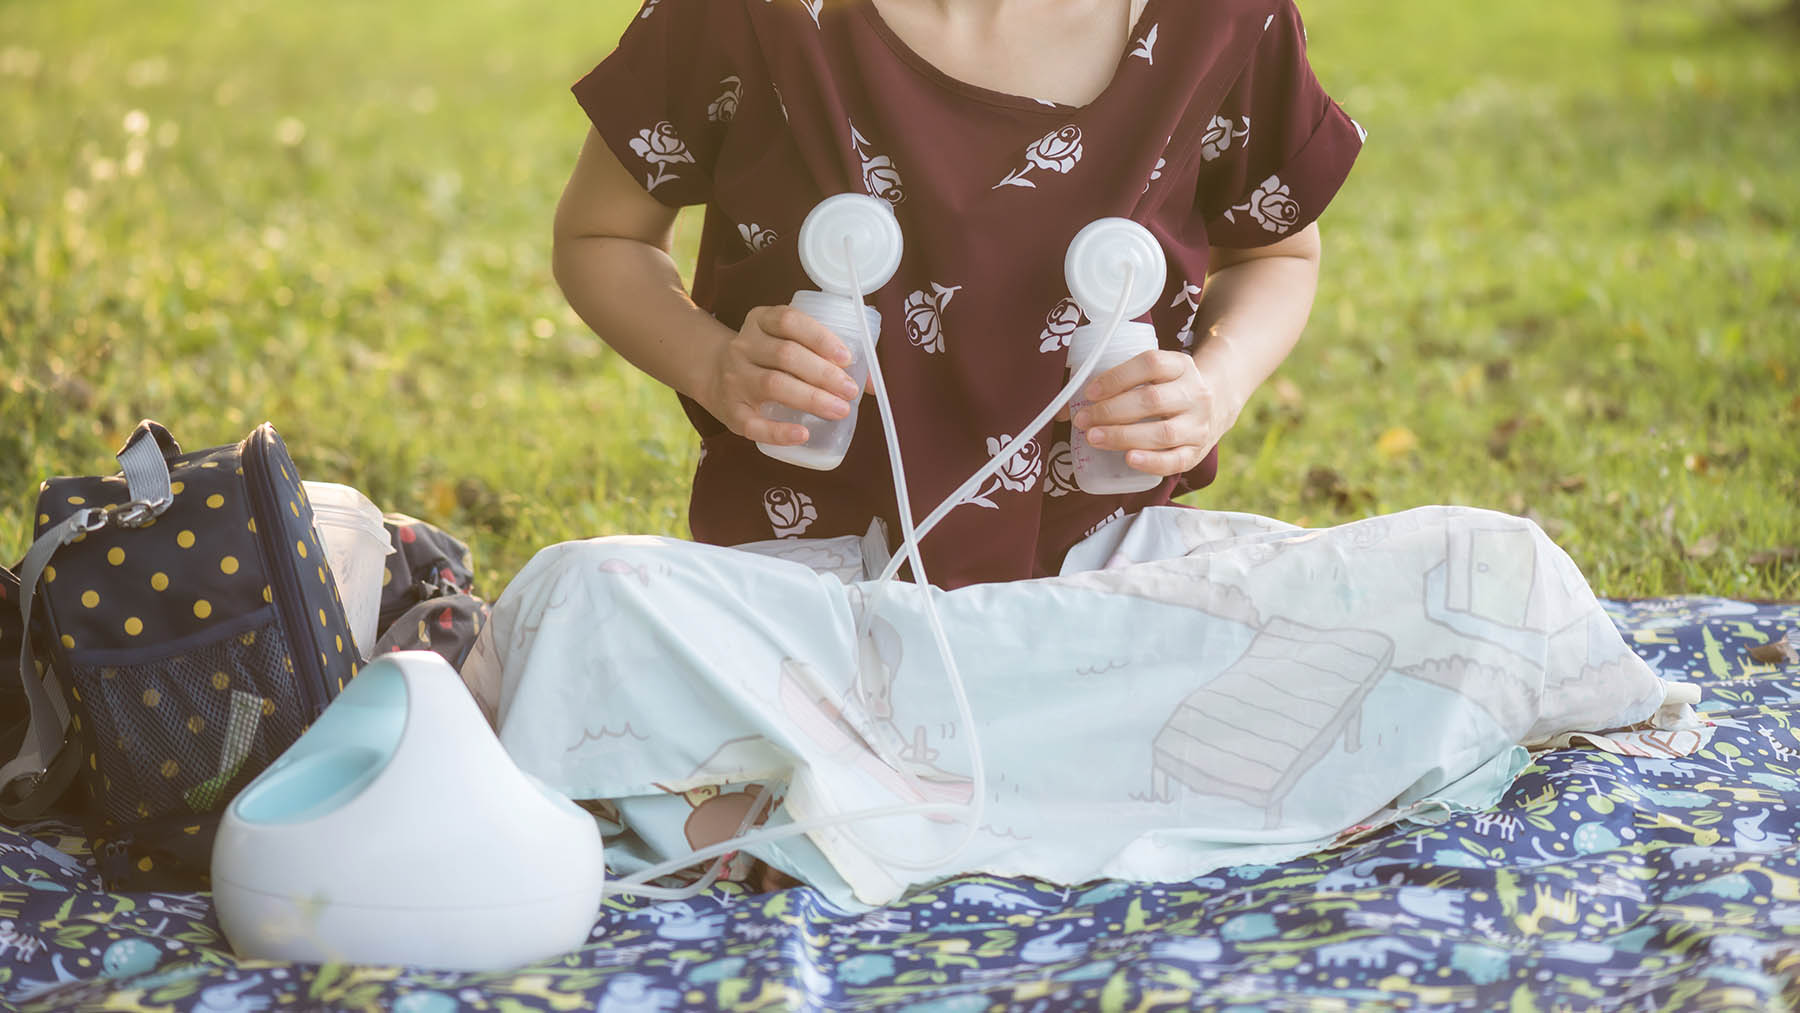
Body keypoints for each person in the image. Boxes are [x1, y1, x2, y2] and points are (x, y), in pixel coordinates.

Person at [550, 0, 1365, 589]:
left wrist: (1213, 389)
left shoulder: (1219, 21)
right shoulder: (746, 17)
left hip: (1106, 568)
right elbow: (603, 237)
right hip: (808, 577)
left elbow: (1276, 254)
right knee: (577, 604)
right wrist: (715, 363)